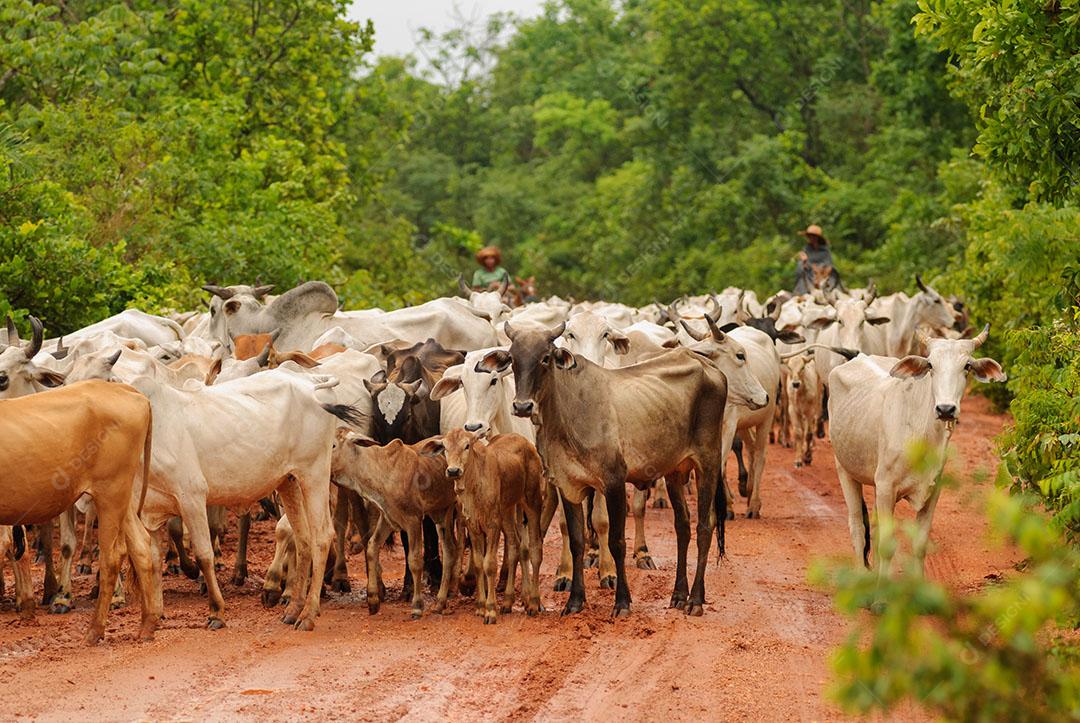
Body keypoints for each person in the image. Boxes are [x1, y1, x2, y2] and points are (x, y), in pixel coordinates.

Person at [794, 224, 840, 294]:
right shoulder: (806, 249)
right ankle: (802, 292)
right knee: (801, 269)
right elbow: (802, 266)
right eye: (809, 236)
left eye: (813, 236)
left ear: (817, 237)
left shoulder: (825, 251)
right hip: (810, 275)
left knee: (832, 274)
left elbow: (829, 264)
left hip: (823, 276)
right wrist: (805, 262)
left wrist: (820, 271)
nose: (811, 238)